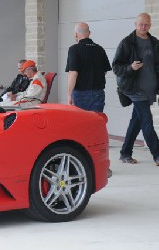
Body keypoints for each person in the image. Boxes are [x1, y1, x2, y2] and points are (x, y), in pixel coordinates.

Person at [112, 12, 159, 166]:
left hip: (149, 90)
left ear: (150, 25)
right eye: (141, 24)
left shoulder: (155, 43)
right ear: (135, 24)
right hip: (134, 89)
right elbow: (116, 67)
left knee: (136, 121)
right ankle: (157, 155)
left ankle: (125, 153)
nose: (143, 27)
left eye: (146, 24)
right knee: (147, 122)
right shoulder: (127, 43)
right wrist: (130, 67)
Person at [65, 22, 112, 112]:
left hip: (80, 94)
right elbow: (104, 71)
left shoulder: (74, 49)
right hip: (98, 93)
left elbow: (73, 73)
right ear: (89, 33)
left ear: (75, 34)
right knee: (96, 123)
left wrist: (69, 94)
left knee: (81, 123)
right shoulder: (100, 49)